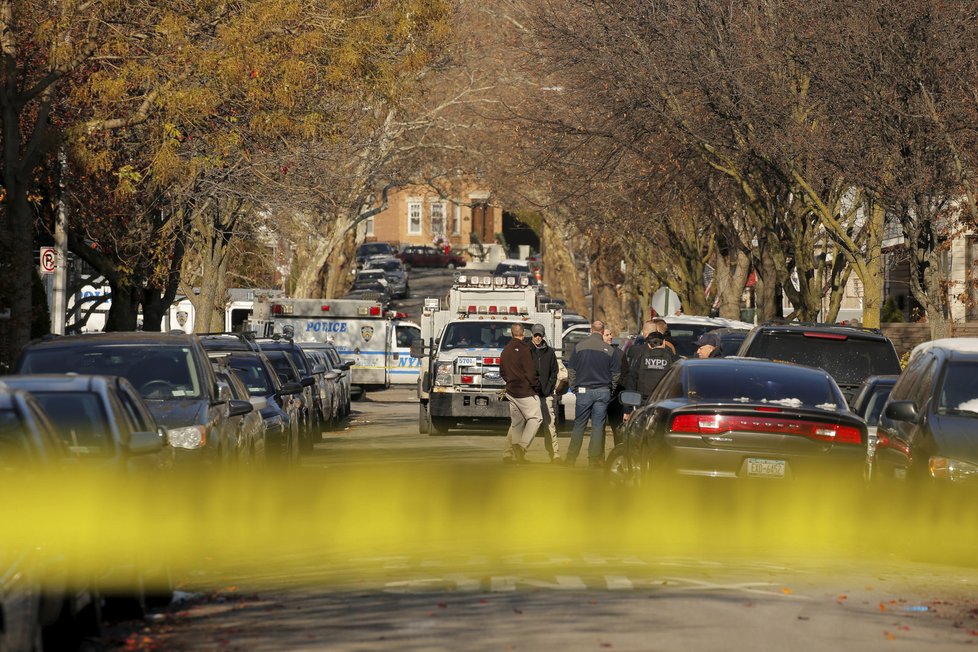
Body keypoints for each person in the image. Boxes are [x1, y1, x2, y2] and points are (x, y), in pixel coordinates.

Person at [565, 320, 620, 468]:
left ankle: (571, 458)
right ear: (602, 332)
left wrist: (574, 388)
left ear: (591, 330)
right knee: (598, 426)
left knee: (579, 426)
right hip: (603, 391)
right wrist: (610, 389)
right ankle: (593, 459)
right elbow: (616, 373)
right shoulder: (609, 350)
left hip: (583, 391)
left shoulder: (579, 347)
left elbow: (571, 371)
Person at [499, 323, 543, 463]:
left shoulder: (505, 350)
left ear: (511, 334)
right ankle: (522, 447)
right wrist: (537, 385)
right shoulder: (525, 349)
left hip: (511, 390)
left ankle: (515, 455)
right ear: (523, 333)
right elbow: (530, 372)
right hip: (525, 391)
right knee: (536, 418)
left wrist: (510, 381)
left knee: (517, 423)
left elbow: (502, 372)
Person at [529, 323, 561, 462]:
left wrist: (549, 387)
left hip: (545, 395)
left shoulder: (550, 352)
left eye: (540, 335)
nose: (537, 338)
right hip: (529, 395)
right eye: (535, 335)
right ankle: (512, 452)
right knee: (521, 425)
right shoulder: (527, 350)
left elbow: (554, 372)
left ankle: (555, 454)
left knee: (550, 425)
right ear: (532, 335)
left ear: (543, 336)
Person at [624, 332, 676, 400]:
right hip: (664, 400)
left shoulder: (642, 359)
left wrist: (629, 405)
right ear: (663, 343)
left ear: (649, 345)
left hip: (644, 400)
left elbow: (632, 379)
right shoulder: (671, 358)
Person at [603, 327, 627, 445]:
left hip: (616, 398)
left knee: (617, 429)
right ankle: (598, 458)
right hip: (600, 396)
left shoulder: (619, 353)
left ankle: (618, 455)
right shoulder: (595, 353)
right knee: (599, 430)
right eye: (607, 335)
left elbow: (625, 376)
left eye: (610, 334)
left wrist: (615, 386)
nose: (610, 337)